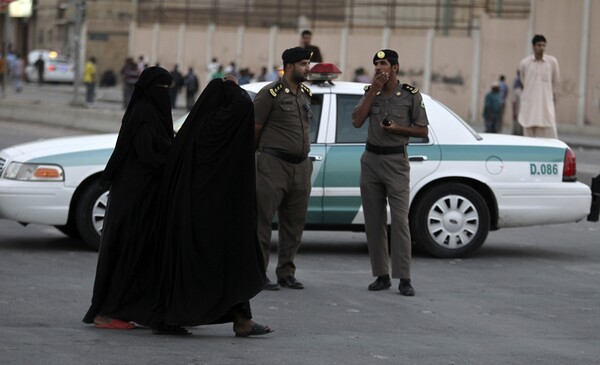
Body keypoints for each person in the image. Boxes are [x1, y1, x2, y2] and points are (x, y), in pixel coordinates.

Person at [149, 76, 272, 337]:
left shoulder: (199, 130)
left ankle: (237, 320)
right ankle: (238, 320)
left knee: (202, 267)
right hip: (215, 220)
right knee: (229, 267)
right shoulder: (227, 132)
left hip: (193, 218)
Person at [82, 67, 175, 329]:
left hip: (142, 195)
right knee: (126, 253)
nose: (166, 94)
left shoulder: (148, 111)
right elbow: (148, 154)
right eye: (163, 89)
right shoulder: (145, 114)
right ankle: (106, 312)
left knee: (136, 255)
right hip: (134, 197)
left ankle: (126, 309)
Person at [351, 49, 429, 296]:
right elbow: (356, 121)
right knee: (374, 222)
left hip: (396, 161)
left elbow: (423, 131)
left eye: (383, 63)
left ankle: (404, 277)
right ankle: (381, 275)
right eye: (375, 63)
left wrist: (398, 129)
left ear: (395, 68)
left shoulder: (410, 95)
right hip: (371, 160)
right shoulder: (369, 93)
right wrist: (372, 91)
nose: (378, 67)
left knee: (399, 221)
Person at [254, 47, 313, 290]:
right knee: (262, 221)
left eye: (308, 64)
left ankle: (286, 271)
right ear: (289, 67)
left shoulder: (305, 93)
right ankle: (258, 273)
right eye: (303, 64)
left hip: (300, 167)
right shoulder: (270, 93)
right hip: (272, 165)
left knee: (294, 223)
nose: (307, 68)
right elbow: (255, 128)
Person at [518, 34, 560, 138]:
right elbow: (523, 82)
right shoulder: (525, 63)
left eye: (543, 45)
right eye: (539, 45)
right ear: (533, 46)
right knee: (528, 138)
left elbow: (555, 82)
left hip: (545, 105)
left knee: (551, 137)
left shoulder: (552, 62)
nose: (541, 48)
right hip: (529, 106)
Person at [512, 70, 523, 135]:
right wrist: (514, 113)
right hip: (518, 112)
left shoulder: (528, 93)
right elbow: (514, 102)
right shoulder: (517, 91)